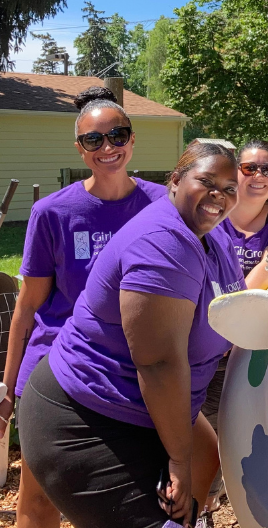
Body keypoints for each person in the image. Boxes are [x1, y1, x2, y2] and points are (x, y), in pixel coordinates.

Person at [19, 142, 246, 528]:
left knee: (194, 481)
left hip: (143, 411)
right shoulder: (163, 243)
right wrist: (179, 460)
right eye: (206, 181)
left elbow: (231, 303)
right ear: (174, 181)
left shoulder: (214, 232)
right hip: (89, 415)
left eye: (228, 188)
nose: (218, 196)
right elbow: (157, 363)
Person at [0, 86, 168, 528]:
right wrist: (7, 388)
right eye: (94, 139)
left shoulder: (162, 206)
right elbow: (28, 307)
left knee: (128, 503)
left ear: (132, 140)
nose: (107, 147)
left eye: (117, 135)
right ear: (80, 148)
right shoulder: (53, 212)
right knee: (38, 501)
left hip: (134, 373)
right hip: (55, 372)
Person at [220, 139, 268, 289]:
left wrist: (233, 306)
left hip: (246, 304)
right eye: (249, 168)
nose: (259, 175)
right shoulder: (216, 207)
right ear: (235, 172)